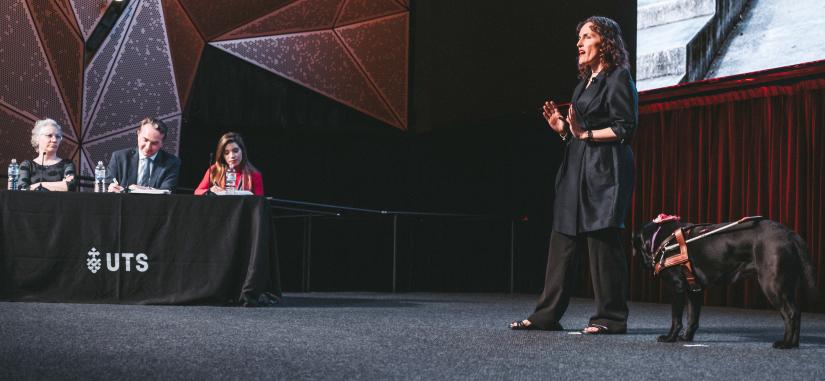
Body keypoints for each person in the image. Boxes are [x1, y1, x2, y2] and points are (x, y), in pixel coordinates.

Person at [510, 16, 637, 334]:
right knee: (562, 240)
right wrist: (564, 131)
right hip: (575, 167)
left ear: (605, 42)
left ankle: (611, 317)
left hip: (605, 170)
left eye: (586, 36)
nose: (579, 43)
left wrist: (584, 135)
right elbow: (579, 134)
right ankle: (545, 316)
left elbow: (625, 128)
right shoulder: (584, 84)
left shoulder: (618, 77)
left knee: (601, 240)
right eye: (579, 38)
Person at [107, 117, 180, 192]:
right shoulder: (119, 157)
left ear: (162, 143)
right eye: (145, 140)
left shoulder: (171, 162)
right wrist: (111, 187)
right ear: (138, 134)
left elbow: (167, 191)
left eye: (154, 143)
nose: (148, 147)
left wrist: (141, 189)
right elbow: (107, 184)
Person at [194, 132, 264, 196]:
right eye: (226, 153)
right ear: (222, 155)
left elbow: (259, 203)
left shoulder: (254, 174)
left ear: (242, 151)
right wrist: (209, 191)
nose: (232, 156)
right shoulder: (214, 170)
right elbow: (197, 191)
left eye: (235, 151)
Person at [18, 118, 76, 191]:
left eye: (58, 136)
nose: (54, 140)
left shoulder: (67, 164)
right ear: (37, 138)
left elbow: (70, 186)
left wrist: (38, 186)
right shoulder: (27, 165)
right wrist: (60, 184)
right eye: (49, 135)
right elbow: (22, 189)